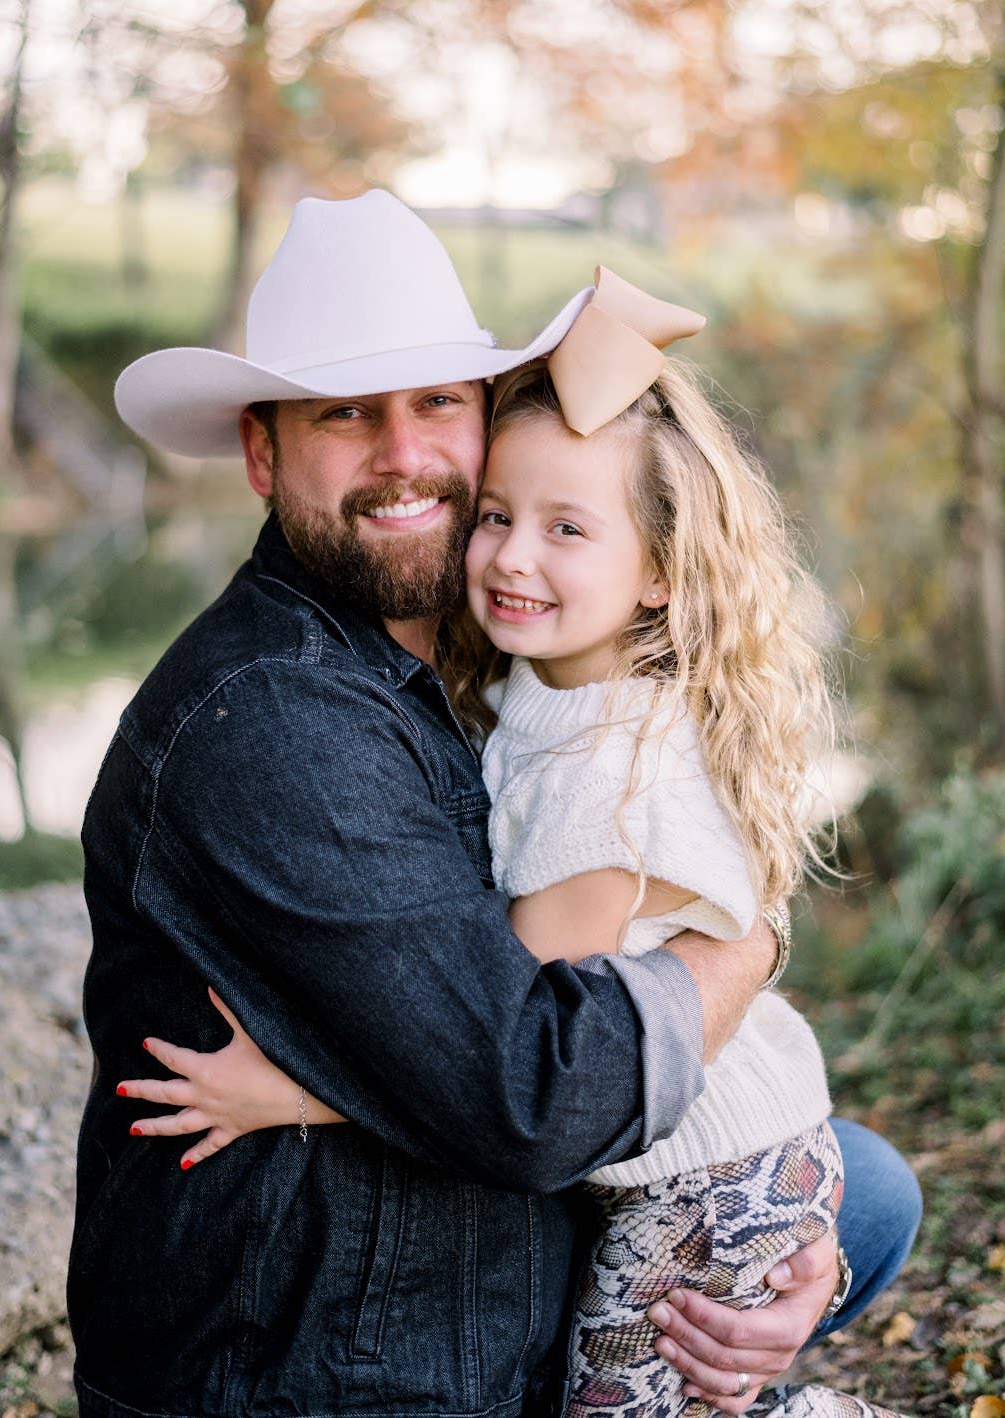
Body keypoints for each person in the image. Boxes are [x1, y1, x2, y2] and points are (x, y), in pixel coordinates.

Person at [71, 190, 921, 1418]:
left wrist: (784, 1258)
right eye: (344, 414)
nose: (404, 454)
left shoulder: (477, 657)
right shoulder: (274, 720)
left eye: (435, 404)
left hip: (453, 1254)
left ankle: (721, 1336)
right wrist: (745, 934)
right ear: (261, 452)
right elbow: (531, 1092)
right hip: (327, 1364)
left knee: (866, 1191)